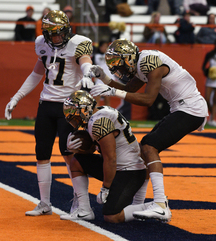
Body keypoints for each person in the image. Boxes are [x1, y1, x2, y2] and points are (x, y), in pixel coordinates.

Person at [89, 39, 208, 222]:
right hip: (180, 108)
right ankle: (139, 205)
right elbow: (129, 89)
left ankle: (160, 204)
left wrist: (112, 92)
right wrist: (104, 78)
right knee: (144, 148)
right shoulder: (140, 64)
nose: (118, 69)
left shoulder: (149, 61)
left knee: (149, 146)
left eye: (118, 64)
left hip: (191, 108)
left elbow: (148, 99)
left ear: (128, 59)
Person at [5, 10, 95, 216]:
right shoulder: (42, 43)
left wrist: (88, 73)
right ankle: (44, 203)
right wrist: (16, 97)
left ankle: (83, 206)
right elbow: (37, 73)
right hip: (46, 104)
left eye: (60, 32)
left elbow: (86, 61)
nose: (57, 37)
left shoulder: (78, 43)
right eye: (52, 33)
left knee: (69, 155)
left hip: (69, 106)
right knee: (41, 154)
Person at [60, 90, 150, 223]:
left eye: (75, 115)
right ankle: (84, 210)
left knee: (112, 216)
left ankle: (152, 206)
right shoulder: (100, 112)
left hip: (130, 170)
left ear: (84, 109)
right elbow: (99, 150)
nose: (74, 120)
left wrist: (105, 188)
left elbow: (110, 158)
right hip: (120, 166)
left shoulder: (99, 123)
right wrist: (78, 148)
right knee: (77, 161)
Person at [92, 41, 113, 106]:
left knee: (107, 101)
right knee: (97, 101)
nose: (105, 48)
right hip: (99, 80)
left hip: (108, 79)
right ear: (100, 47)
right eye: (103, 46)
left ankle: (107, 115)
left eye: (106, 46)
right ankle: (96, 115)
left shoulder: (111, 56)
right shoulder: (96, 56)